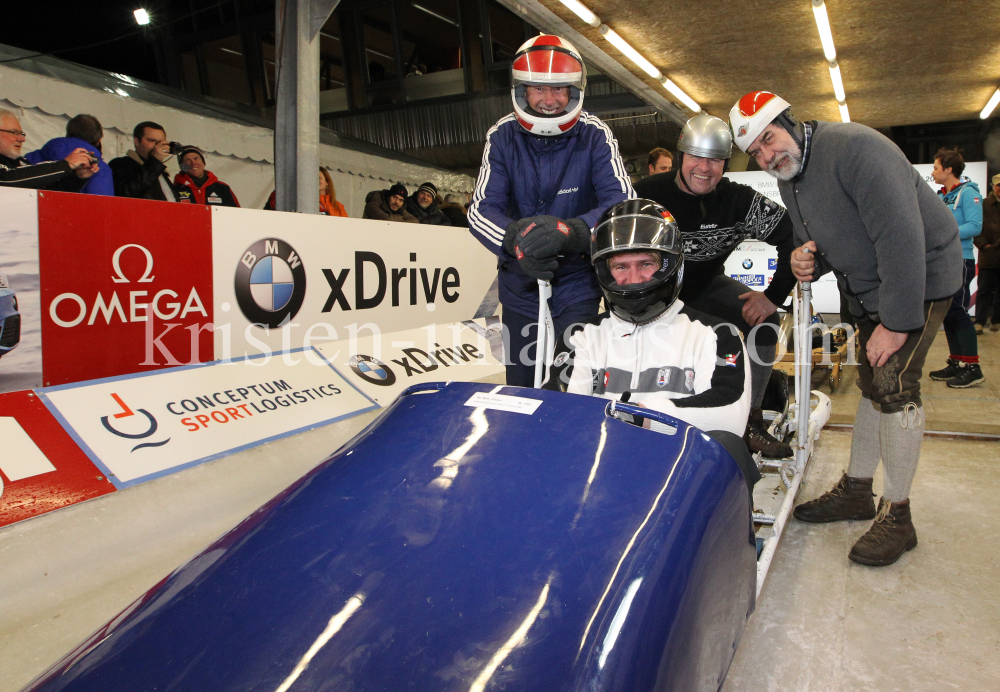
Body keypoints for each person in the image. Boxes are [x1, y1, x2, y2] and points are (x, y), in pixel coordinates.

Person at [730, 90, 962, 566]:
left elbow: (901, 235)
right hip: (870, 288)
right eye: (756, 152)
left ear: (790, 123)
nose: (768, 155)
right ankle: (857, 491)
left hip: (918, 280)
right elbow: (815, 233)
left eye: (770, 139)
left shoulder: (855, 149)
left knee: (896, 386)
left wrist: (896, 324)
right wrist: (802, 257)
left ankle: (898, 516)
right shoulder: (793, 174)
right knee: (874, 384)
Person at [554, 198, 758, 493]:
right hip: (598, 467)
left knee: (731, 448)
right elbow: (564, 415)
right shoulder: (581, 336)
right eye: (621, 266)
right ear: (605, 271)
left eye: (646, 263)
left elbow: (729, 416)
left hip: (680, 474)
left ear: (668, 265)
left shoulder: (716, 334)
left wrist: (639, 415)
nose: (633, 279)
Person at [468, 34, 633, 386]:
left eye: (559, 90)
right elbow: (481, 209)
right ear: (521, 91)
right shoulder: (502, 136)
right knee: (522, 385)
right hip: (519, 283)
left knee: (575, 379)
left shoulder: (595, 135)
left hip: (577, 282)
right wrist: (518, 241)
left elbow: (620, 203)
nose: (549, 101)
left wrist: (571, 233)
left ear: (574, 92)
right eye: (538, 89)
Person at [634, 113, 796, 458]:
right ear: (681, 157)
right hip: (652, 298)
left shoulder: (739, 199)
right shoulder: (644, 197)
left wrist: (772, 297)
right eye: (696, 158)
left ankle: (749, 419)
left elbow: (791, 236)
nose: (704, 169)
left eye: (716, 161)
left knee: (763, 322)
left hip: (705, 286)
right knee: (712, 335)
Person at [926, 147, 984, 387]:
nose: (933, 171)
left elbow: (975, 226)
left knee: (958, 311)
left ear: (949, 169)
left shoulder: (968, 193)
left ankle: (973, 367)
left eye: (936, 167)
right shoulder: (941, 195)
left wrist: (945, 236)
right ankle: (957, 362)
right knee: (948, 312)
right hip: (945, 260)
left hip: (961, 260)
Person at [0, 109, 97, 190]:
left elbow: (46, 191)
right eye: (14, 132)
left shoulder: (20, 162)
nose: (22, 139)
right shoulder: (12, 173)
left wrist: (77, 177)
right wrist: (65, 165)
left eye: (21, 134)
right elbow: (6, 179)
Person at [24, 113, 112, 196]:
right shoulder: (98, 167)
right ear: (97, 142)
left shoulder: (33, 156)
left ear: (68, 132)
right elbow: (102, 204)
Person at [109, 121, 183, 202]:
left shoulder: (158, 169)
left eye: (162, 142)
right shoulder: (120, 164)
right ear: (136, 141)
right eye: (152, 140)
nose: (157, 146)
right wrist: (155, 161)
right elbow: (127, 194)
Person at [173, 146, 240, 207]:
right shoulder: (174, 189)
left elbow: (237, 214)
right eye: (188, 160)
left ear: (203, 162)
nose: (193, 163)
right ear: (182, 167)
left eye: (196, 158)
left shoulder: (222, 188)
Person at [974, 173, 1000, 332]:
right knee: (984, 290)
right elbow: (976, 227)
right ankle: (980, 321)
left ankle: (997, 321)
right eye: (998, 185)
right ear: (993, 186)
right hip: (988, 256)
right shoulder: (983, 205)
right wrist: (985, 246)